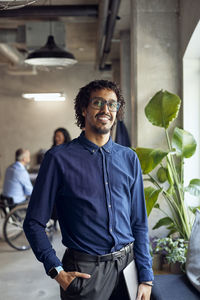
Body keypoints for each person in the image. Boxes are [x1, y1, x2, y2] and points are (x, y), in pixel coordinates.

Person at [23, 80, 154, 300]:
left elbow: (139, 222)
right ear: (84, 109)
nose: (106, 110)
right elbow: (33, 223)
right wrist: (56, 270)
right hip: (85, 272)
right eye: (98, 102)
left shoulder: (129, 158)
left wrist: (146, 275)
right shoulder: (58, 158)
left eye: (112, 104)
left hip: (128, 268)